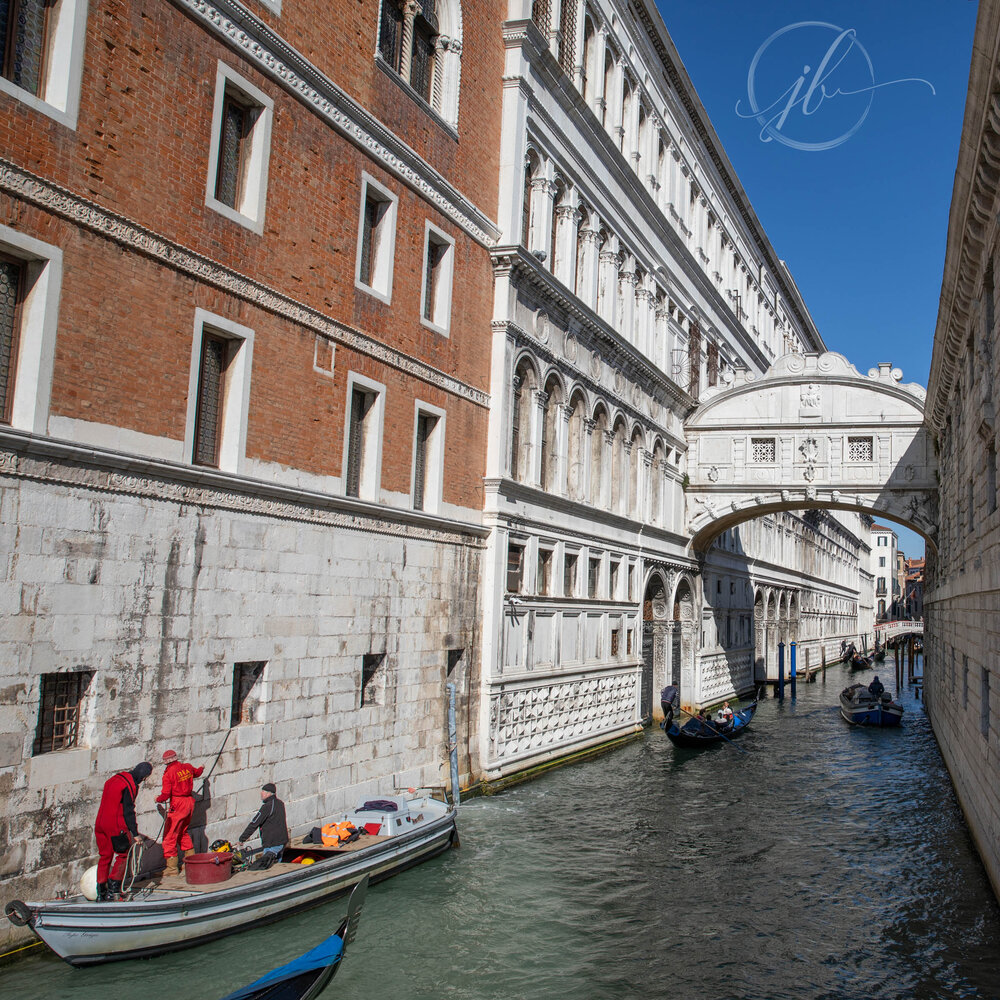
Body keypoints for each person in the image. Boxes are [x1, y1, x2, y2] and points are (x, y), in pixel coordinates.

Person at [94, 761, 152, 901]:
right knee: (123, 856)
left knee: (105, 857)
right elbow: (128, 811)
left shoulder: (114, 779)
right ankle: (113, 892)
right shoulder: (130, 785)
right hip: (116, 825)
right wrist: (135, 833)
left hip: (100, 823)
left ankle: (100, 893)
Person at [155, 749, 204, 877]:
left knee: (170, 836)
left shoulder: (168, 774)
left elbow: (165, 794)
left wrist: (158, 799)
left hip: (178, 804)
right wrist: (202, 767)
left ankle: (171, 868)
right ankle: (190, 863)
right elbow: (197, 773)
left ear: (166, 762)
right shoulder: (187, 767)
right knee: (183, 832)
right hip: (189, 803)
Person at [239, 783, 289, 861]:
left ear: (269, 793)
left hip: (272, 844)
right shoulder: (280, 803)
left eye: (264, 792)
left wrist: (242, 839)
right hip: (282, 842)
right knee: (278, 864)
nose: (261, 793)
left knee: (267, 867)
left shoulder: (267, 807)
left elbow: (254, 824)